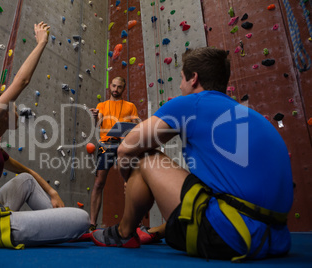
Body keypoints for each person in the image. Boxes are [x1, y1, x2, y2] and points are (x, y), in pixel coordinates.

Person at [91, 47, 293, 262]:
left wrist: (128, 179)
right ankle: (158, 230)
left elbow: (126, 148)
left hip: (229, 235)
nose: (180, 86)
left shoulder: (192, 103)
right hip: (275, 239)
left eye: (181, 79)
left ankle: (123, 232)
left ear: (193, 78)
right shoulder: (247, 113)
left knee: (143, 155)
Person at [0, 22, 90, 249]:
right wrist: (41, 42)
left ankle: (61, 223)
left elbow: (27, 173)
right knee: (82, 219)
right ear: (0, 113)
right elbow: (22, 81)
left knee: (26, 181)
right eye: (13, 107)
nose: (18, 111)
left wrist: (51, 191)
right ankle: (69, 226)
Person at [88, 77, 139, 231]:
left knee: (130, 184)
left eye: (119, 87)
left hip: (124, 145)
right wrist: (96, 117)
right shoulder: (101, 105)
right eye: (114, 86)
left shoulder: (130, 106)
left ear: (124, 89)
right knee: (98, 183)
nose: (116, 89)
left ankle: (135, 223)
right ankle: (92, 224)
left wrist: (135, 123)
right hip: (106, 145)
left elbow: (137, 124)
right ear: (110, 86)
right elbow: (98, 123)